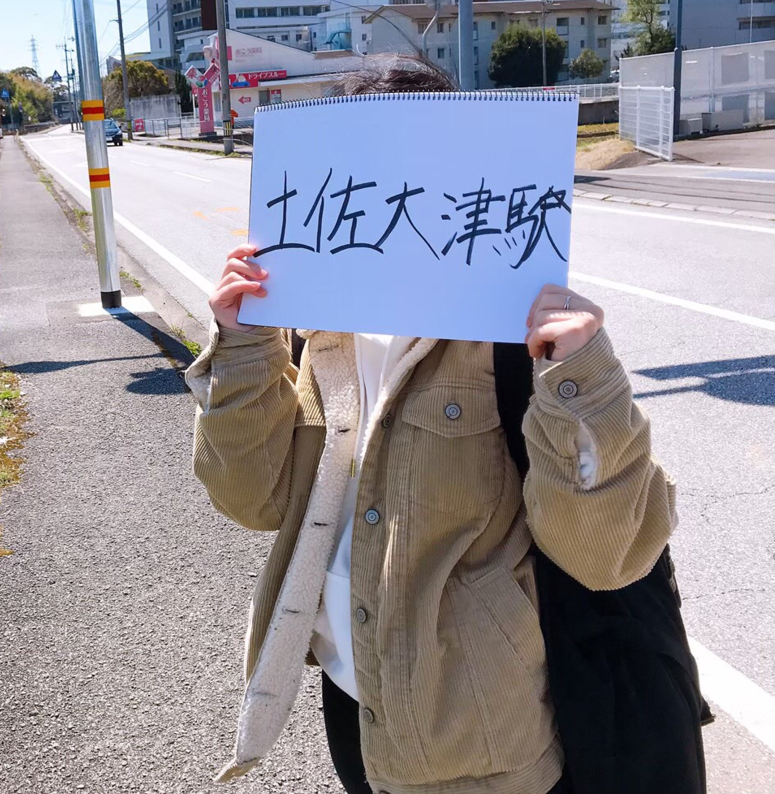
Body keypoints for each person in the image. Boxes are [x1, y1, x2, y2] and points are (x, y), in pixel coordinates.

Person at [185, 54, 676, 794]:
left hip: (481, 738)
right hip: (354, 698)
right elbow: (251, 501)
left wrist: (583, 377)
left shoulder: (513, 327)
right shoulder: (318, 318)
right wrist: (244, 341)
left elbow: (605, 556)